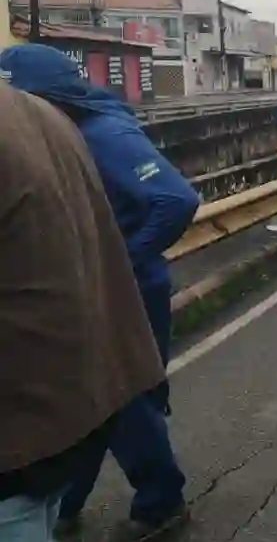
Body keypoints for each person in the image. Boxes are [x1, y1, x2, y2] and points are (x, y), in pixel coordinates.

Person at [0, 44, 200, 540]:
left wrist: (117, 261)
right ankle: (66, 504)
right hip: (83, 287)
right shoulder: (57, 129)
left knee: (122, 397)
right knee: (85, 400)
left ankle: (160, 502)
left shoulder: (101, 132)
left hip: (117, 287)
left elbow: (174, 200)